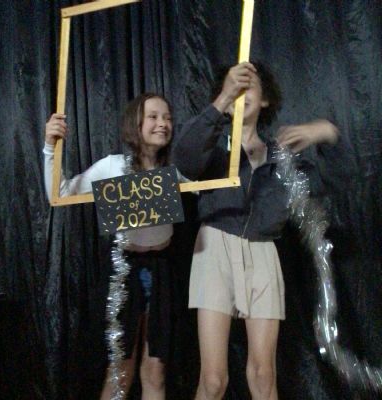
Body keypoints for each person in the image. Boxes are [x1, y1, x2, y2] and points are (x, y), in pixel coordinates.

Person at [172, 62, 340, 400]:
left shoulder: (282, 157)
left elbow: (335, 184)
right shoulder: (214, 147)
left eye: (249, 85)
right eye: (235, 85)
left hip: (263, 250)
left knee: (264, 377)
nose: (241, 92)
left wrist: (325, 133)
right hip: (215, 245)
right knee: (213, 381)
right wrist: (222, 99)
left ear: (265, 99)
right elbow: (184, 159)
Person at [43, 93, 179, 400]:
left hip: (163, 270)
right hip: (123, 271)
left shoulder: (174, 169)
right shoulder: (112, 166)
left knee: (155, 370)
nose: (163, 123)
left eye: (168, 118)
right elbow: (59, 194)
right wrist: (51, 147)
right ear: (136, 123)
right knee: (120, 370)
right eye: (154, 116)